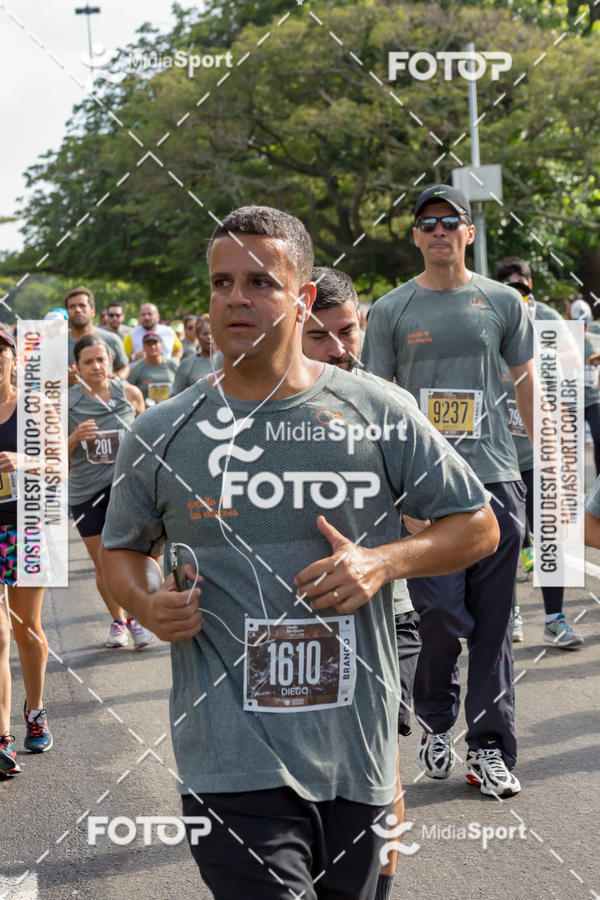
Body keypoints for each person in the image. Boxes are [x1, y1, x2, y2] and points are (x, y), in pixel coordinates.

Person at [101, 205, 498, 898]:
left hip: (357, 756)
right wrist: (143, 603)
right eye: (222, 283)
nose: (236, 299)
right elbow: (121, 550)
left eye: (260, 282)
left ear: (304, 297)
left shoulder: (376, 410)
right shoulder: (161, 431)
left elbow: (477, 525)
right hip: (229, 761)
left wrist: (384, 561)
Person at [363, 184, 535, 798]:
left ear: (467, 230)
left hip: (495, 478)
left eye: (450, 221)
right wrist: (392, 496)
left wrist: (537, 469)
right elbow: (374, 405)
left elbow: (524, 381)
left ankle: (490, 748)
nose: (438, 231)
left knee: (493, 625)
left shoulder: (503, 301)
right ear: (415, 236)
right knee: (438, 616)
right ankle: (438, 722)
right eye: (427, 223)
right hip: (425, 492)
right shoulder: (390, 310)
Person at [303, 266, 423, 900]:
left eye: (347, 331)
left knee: (378, 762)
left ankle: (380, 887)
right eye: (320, 337)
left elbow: (456, 524)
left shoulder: (389, 404)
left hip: (385, 614)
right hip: (292, 622)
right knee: (309, 772)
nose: (338, 349)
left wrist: (393, 551)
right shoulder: (255, 411)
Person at [493, 258, 583, 648]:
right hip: (498, 453)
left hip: (539, 448)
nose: (518, 294)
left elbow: (574, 362)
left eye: (523, 287)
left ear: (530, 287)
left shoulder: (545, 318)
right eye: (509, 287)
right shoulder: (489, 316)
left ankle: (554, 619)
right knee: (507, 539)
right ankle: (509, 614)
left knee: (552, 534)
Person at [68, 334, 154, 650]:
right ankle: (120, 622)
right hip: (86, 493)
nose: (96, 366)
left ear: (111, 361)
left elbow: (149, 443)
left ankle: (137, 620)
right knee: (103, 562)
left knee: (131, 557)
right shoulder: (67, 403)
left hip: (125, 491)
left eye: (101, 359)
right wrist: (75, 436)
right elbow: (54, 457)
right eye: (88, 362)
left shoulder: (130, 394)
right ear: (76, 367)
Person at [0, 330, 53, 776]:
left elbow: (60, 464)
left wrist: (24, 462)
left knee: (25, 629)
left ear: (14, 360)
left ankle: (35, 710)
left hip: (29, 527)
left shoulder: (34, 406)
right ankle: (2, 738)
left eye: (0, 352)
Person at [66, 287, 129, 385]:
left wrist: (117, 378)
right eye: (72, 306)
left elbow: (125, 367)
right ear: (67, 312)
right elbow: (44, 379)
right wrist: (65, 380)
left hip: (105, 399)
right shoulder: (56, 343)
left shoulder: (112, 339)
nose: (77, 310)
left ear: (93, 311)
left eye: (82, 305)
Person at [571, 299, 600, 477]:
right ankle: (573, 486)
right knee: (572, 445)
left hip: (593, 398)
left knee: (599, 436)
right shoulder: (563, 339)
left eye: (586, 323)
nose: (583, 327)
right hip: (573, 400)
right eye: (578, 324)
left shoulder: (596, 336)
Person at [170, 314, 223, 395]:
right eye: (205, 334)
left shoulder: (228, 361)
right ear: (198, 336)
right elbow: (175, 396)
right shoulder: (187, 364)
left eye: (212, 333)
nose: (209, 337)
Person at [127, 333, 179, 405]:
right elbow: (128, 391)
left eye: (155, 343)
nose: (152, 346)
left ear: (161, 345)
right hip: (147, 410)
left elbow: (183, 385)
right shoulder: (136, 368)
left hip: (173, 406)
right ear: (143, 347)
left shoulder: (172, 365)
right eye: (148, 344)